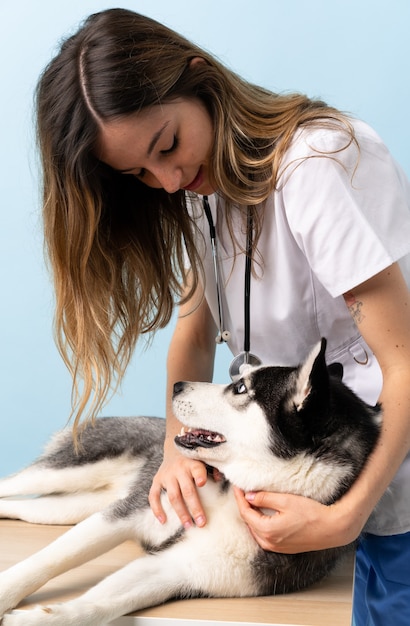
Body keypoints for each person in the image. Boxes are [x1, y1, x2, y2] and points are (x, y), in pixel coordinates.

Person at [35, 8, 410, 625]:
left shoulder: (315, 167)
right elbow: (195, 329)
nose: (169, 178)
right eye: (139, 174)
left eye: (167, 145)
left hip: (387, 481)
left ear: (199, 78)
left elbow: (404, 362)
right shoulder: (203, 195)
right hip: (341, 490)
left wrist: (345, 516)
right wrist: (177, 448)